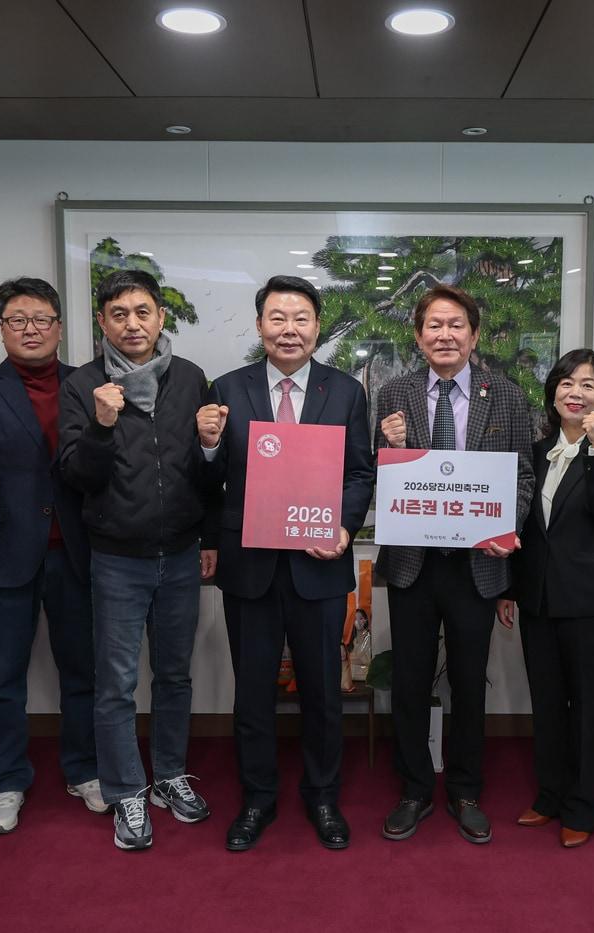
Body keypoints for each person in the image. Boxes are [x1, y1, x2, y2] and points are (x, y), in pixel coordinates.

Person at [198, 274, 374, 852]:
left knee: (324, 690)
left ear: (317, 327)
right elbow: (209, 480)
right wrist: (205, 444)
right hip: (251, 566)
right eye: (277, 317)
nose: (289, 329)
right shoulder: (227, 387)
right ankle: (258, 798)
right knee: (252, 690)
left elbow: (359, 472)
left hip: (318, 565)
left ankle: (323, 796)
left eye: (301, 318)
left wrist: (345, 528)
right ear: (259, 326)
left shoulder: (345, 391)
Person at [58, 269, 218, 851]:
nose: (133, 323)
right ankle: (127, 787)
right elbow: (76, 475)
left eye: (143, 311)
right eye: (119, 313)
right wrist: (102, 426)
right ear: (102, 321)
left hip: (180, 553)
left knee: (175, 675)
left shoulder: (192, 379)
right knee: (117, 684)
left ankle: (169, 776)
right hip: (117, 558)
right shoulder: (82, 385)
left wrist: (209, 445)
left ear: (160, 318)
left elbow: (208, 475)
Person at [0, 277, 99, 835]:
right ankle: (6, 781)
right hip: (6, 552)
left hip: (77, 552)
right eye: (17, 320)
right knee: (3, 678)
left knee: (84, 671)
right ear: (1, 328)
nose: (30, 329)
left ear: (59, 326)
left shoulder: (88, 382)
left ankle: (85, 769)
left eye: (41, 319)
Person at [374, 284, 535, 845]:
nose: (445, 335)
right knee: (411, 680)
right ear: (418, 337)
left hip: (477, 565)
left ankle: (466, 789)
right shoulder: (391, 395)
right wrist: (382, 442)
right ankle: (415, 789)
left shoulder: (508, 397)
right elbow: (375, 476)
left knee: (470, 680)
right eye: (434, 326)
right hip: (413, 564)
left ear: (474, 335)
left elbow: (523, 479)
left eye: (456, 325)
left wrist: (504, 527)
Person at [497, 348, 594, 848]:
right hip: (538, 600)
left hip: (593, 603)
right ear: (552, 392)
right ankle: (550, 795)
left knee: (588, 707)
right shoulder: (534, 453)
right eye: (566, 383)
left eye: (588, 385)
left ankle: (585, 805)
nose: (574, 393)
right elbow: (524, 530)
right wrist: (510, 589)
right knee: (547, 704)